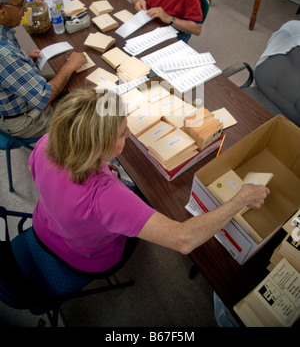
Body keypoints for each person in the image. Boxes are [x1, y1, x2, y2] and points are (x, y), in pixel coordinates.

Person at [29, 87, 270, 276]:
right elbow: (183, 239)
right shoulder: (105, 197)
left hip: (44, 226)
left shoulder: (47, 143)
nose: (130, 134)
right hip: (87, 256)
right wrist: (241, 199)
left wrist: (100, 165)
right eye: (123, 133)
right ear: (98, 147)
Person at [0, 0, 87, 139]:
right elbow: (43, 97)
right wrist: (69, 66)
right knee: (88, 112)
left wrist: (21, 59)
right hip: (24, 118)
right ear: (1, 9)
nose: (25, 10)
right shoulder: (4, 55)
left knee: (76, 81)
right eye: (20, 5)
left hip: (16, 100)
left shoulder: (3, 35)